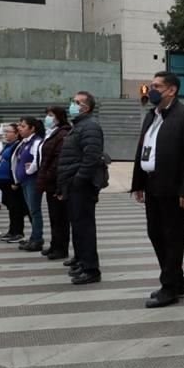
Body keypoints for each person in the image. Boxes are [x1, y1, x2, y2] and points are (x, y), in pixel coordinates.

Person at [131, 72, 184, 308]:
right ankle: (177, 280)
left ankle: (169, 287)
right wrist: (138, 183)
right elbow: (143, 149)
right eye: (151, 85)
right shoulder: (152, 116)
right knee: (155, 233)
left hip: (173, 189)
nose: (152, 90)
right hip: (152, 185)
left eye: (157, 86)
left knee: (172, 238)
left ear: (172, 90)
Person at [56, 91, 106, 285]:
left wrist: (78, 179)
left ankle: (91, 269)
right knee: (77, 225)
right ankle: (81, 260)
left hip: (81, 186)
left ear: (86, 107)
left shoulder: (90, 127)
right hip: (72, 184)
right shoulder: (78, 126)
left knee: (84, 227)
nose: (72, 105)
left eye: (76, 102)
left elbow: (91, 157)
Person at [37, 107, 72, 260]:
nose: (47, 118)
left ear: (59, 117)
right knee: (54, 216)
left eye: (51, 115)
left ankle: (61, 248)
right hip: (50, 182)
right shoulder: (52, 133)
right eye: (47, 115)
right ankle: (54, 244)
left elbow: (58, 159)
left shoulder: (63, 133)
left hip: (57, 181)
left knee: (60, 218)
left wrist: (49, 175)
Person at [13, 117, 44, 251]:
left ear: (32, 128)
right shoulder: (24, 142)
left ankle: (37, 239)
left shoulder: (36, 142)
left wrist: (29, 170)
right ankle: (33, 237)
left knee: (34, 210)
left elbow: (38, 160)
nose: (19, 128)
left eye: (23, 126)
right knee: (31, 210)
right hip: (24, 181)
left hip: (32, 180)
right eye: (19, 125)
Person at [0, 122, 26, 243]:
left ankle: (18, 232)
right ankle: (11, 231)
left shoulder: (18, 146)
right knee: (11, 208)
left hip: (11, 182)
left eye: (8, 132)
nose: (5, 134)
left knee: (16, 208)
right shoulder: (8, 145)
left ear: (16, 134)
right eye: (5, 132)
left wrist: (15, 181)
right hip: (3, 182)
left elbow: (16, 164)